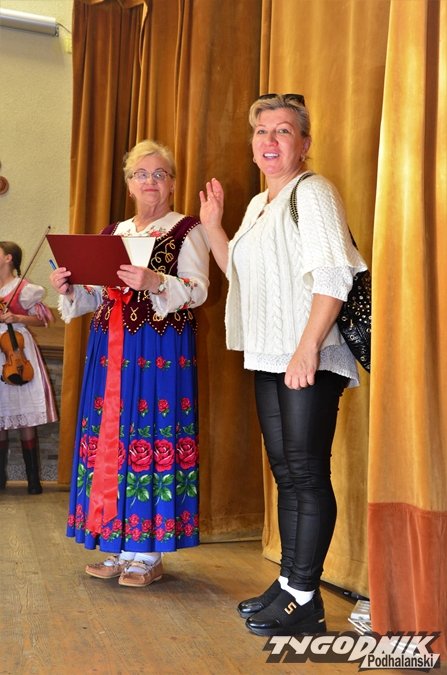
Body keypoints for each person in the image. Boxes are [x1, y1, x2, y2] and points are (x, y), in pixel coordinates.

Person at [199, 93, 367, 636]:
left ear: (304, 143)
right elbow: (242, 273)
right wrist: (213, 225)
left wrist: (308, 347)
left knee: (307, 472)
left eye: (283, 131)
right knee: (288, 473)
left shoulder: (313, 192)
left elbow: (334, 274)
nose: (270, 141)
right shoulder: (259, 204)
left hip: (308, 354)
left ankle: (303, 599)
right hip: (272, 353)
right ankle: (292, 585)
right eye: (261, 131)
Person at [50, 139, 209, 588]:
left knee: (148, 434)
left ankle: (148, 553)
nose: (150, 181)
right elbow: (95, 296)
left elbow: (199, 290)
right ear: (129, 183)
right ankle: (120, 547)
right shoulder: (112, 232)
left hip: (159, 351)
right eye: (142, 174)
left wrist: (156, 280)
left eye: (160, 174)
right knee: (111, 438)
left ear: (172, 183)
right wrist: (69, 288)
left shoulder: (187, 229)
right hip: (109, 349)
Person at [0, 241, 57, 494]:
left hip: (18, 348)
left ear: (9, 258)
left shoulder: (24, 289)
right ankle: (0, 479)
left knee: (25, 414)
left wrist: (17, 317)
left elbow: (43, 320)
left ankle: (34, 481)